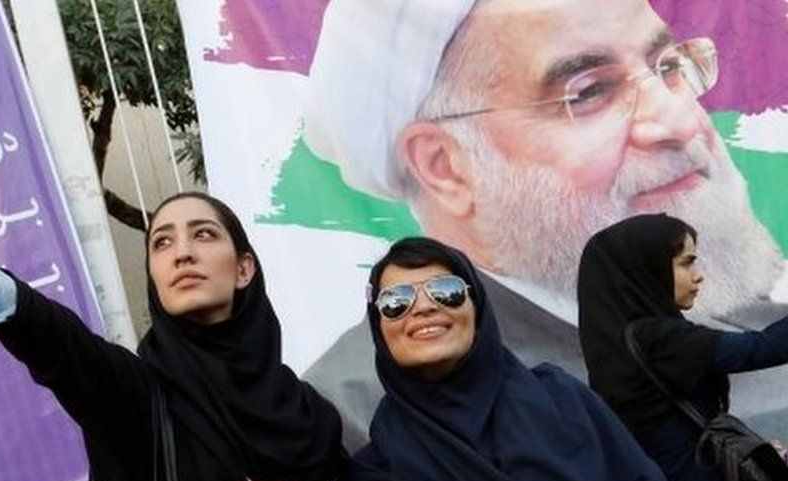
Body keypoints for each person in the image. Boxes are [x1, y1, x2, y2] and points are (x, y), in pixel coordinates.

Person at [302, 0, 787, 453]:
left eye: (669, 67)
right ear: (444, 166)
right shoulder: (358, 411)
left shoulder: (740, 318)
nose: (680, 121)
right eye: (590, 91)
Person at [0, 136, 351, 481]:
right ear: (154, 276)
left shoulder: (311, 414)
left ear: (244, 268)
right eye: (161, 243)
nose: (182, 252)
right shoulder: (135, 394)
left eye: (203, 235)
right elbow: (47, 333)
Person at [341, 237, 685, 481]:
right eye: (396, 301)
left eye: (445, 290)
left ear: (477, 308)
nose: (424, 307)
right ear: (379, 327)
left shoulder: (564, 399)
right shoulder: (380, 472)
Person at [577, 214, 788, 481]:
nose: (698, 276)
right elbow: (761, 348)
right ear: (645, 270)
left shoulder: (618, 340)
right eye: (685, 263)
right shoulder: (658, 339)